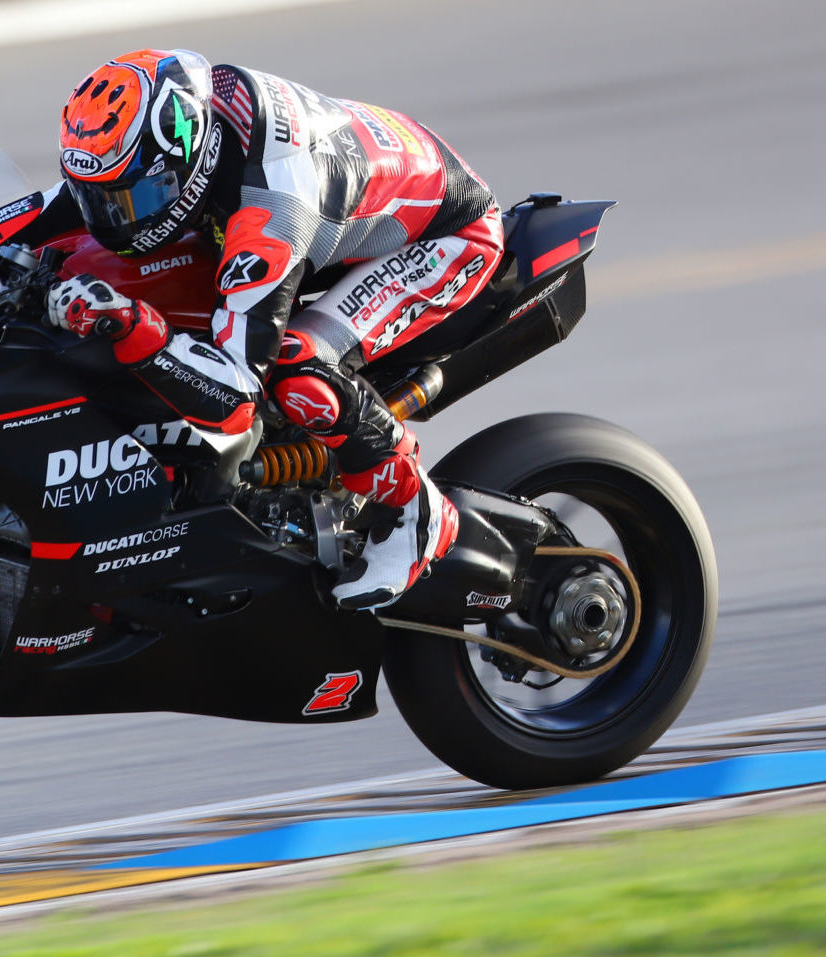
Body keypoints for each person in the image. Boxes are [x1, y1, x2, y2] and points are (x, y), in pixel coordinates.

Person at [35, 49, 503, 609]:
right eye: (101, 195)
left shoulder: (272, 206)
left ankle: (415, 511)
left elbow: (233, 396)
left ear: (188, 159)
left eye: (133, 196)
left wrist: (128, 323)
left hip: (445, 235)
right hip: (358, 191)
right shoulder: (172, 121)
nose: (113, 216)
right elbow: (57, 212)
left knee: (297, 368)